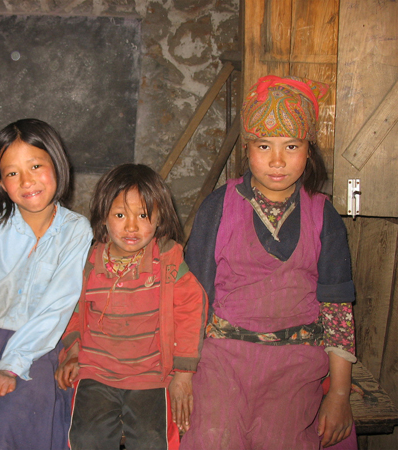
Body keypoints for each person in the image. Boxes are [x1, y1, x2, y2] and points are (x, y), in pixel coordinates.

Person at [181, 75, 357, 450]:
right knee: (213, 439)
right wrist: (181, 370)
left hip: (295, 364)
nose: (278, 160)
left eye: (291, 146)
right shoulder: (218, 207)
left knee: (283, 439)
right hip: (222, 360)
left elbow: (337, 308)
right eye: (264, 145)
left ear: (308, 150)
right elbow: (191, 297)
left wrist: (339, 394)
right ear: (247, 149)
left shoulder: (324, 216)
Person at [0, 118, 93, 450]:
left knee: (13, 419)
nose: (27, 180)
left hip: (41, 346)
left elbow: (56, 309)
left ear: (58, 163)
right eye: (12, 173)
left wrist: (11, 367)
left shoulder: (76, 230)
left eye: (36, 165)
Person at [56, 164, 207, 450]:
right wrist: (73, 350)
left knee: (153, 442)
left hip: (150, 375)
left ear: (160, 218)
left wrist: (183, 373)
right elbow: (72, 309)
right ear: (103, 217)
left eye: (143, 215)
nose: (131, 227)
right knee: (85, 438)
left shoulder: (168, 263)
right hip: (96, 372)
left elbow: (191, 308)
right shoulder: (87, 262)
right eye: (120, 215)